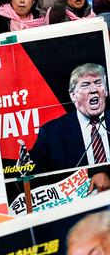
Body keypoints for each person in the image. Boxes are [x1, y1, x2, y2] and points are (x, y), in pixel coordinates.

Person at [30, 63, 110, 192]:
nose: (94, 89)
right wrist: (22, 167)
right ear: (73, 95)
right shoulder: (51, 132)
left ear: (105, 91)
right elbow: (35, 175)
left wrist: (103, 172)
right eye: (86, 85)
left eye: (98, 83)